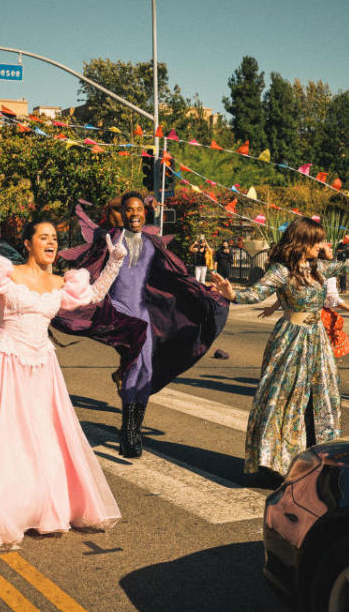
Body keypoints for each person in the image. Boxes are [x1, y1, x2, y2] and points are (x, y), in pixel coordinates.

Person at [0, 207, 125, 554]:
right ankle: (0, 512)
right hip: (4, 357)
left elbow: (93, 297)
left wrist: (114, 263)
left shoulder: (62, 281)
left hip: (42, 362)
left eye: (55, 239)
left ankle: (40, 506)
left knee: (43, 436)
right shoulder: (6, 272)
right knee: (3, 437)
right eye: (43, 237)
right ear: (28, 244)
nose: (51, 243)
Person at [53, 192, 229, 457]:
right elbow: (88, 270)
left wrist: (207, 293)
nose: (134, 214)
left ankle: (132, 429)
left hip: (142, 313)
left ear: (144, 214)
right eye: (129, 210)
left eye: (138, 210)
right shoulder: (109, 240)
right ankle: (129, 432)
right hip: (116, 311)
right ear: (122, 215)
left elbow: (176, 275)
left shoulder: (151, 244)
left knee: (143, 370)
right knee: (135, 367)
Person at [212, 215, 349, 478]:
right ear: (302, 241)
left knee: (322, 397)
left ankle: (320, 457)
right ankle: (281, 461)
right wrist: (232, 294)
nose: (322, 244)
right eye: (317, 240)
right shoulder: (281, 270)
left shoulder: (319, 268)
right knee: (285, 398)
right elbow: (256, 293)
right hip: (290, 340)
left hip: (317, 339)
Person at [256, 240, 349, 357]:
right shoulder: (321, 270)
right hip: (313, 319)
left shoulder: (318, 269)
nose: (331, 249)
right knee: (313, 353)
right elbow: (331, 298)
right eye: (327, 248)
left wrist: (273, 308)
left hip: (307, 319)